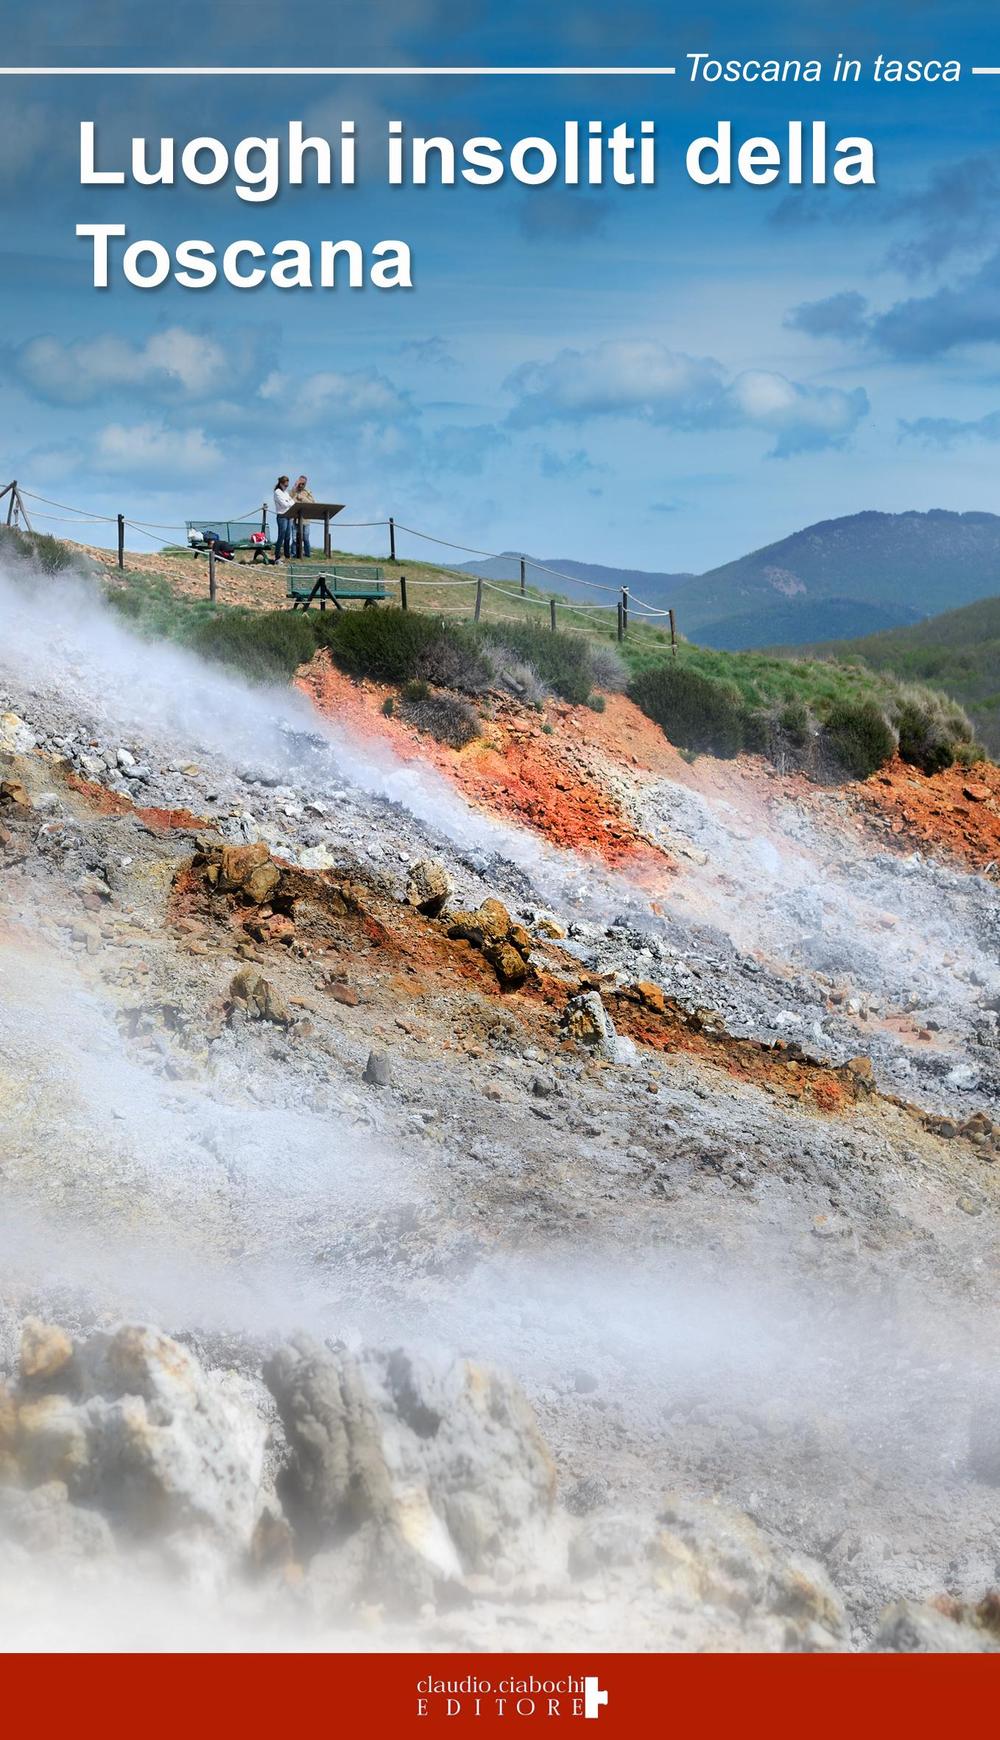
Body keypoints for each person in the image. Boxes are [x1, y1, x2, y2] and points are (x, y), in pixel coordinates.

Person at [292, 473, 315, 557]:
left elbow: (313, 503)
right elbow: (289, 499)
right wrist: (295, 486)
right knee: (295, 538)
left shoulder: (308, 492)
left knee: (305, 538)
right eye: (300, 483)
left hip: (305, 519)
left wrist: (303, 498)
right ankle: (294, 554)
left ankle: (307, 554)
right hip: (295, 519)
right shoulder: (294, 491)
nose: (301, 485)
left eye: (303, 483)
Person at [273, 475, 294, 562]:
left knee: (288, 536)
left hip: (289, 516)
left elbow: (292, 502)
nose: (286, 487)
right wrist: (288, 502)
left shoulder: (286, 493)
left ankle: (287, 555)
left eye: (287, 485)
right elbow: (284, 504)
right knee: (281, 536)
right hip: (282, 516)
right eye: (285, 485)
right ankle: (277, 556)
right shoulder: (277, 492)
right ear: (281, 484)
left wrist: (288, 502)